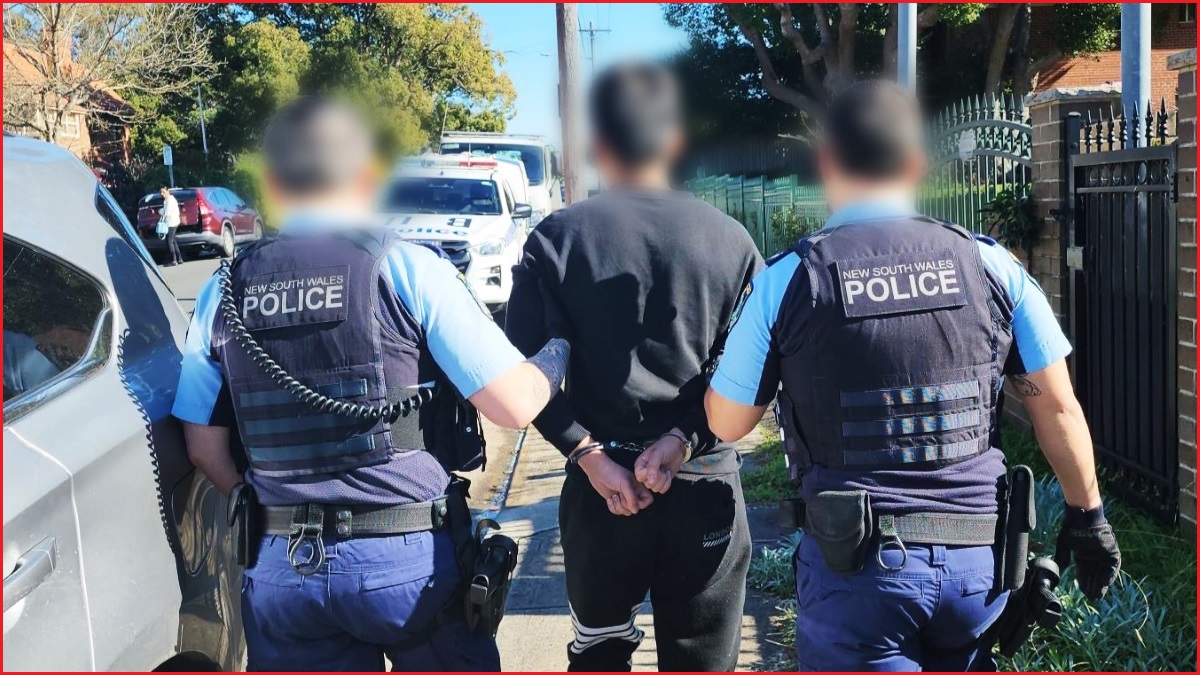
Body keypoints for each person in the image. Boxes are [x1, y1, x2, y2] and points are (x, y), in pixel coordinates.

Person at [704, 80, 1122, 671]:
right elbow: (1056, 406)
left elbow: (726, 421)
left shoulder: (788, 279)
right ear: (917, 165)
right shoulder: (991, 264)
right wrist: (1090, 518)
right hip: (979, 569)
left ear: (826, 164)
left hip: (857, 576)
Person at [172, 97, 571, 672]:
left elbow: (203, 446)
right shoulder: (405, 266)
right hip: (408, 570)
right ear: (364, 178)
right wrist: (557, 353)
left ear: (275, 182)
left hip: (282, 570)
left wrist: (269, 507)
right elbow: (513, 404)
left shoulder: (222, 289)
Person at [505, 63, 763, 672]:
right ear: (674, 143)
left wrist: (587, 454)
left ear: (597, 147)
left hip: (602, 491)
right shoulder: (733, 242)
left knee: (598, 655)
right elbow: (752, 374)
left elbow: (523, 373)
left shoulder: (554, 240)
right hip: (704, 483)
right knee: (703, 661)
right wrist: (685, 437)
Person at [160, 186, 183, 266]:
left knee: (169, 240)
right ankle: (179, 258)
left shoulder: (170, 200)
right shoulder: (167, 200)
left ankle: (173, 260)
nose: (162, 194)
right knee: (173, 240)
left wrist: (160, 212)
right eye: (161, 192)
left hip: (172, 222)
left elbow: (167, 213)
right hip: (172, 221)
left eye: (163, 192)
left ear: (167, 191)